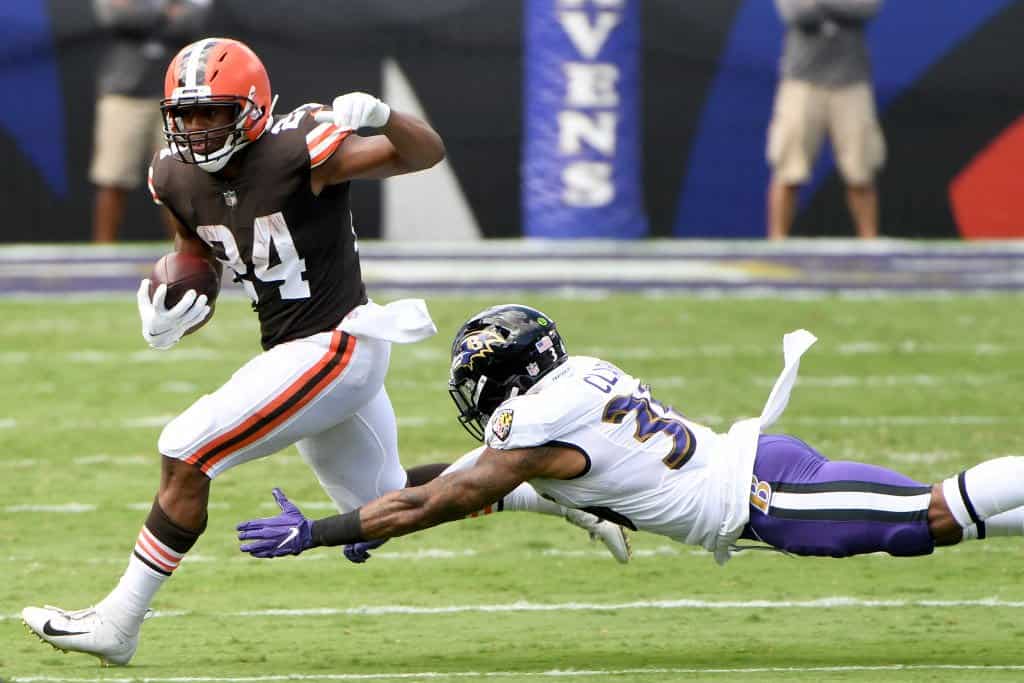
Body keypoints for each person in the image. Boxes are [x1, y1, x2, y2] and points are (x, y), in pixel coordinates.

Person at [21, 38, 628, 668]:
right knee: (382, 501)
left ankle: (118, 621)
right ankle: (558, 490)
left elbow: (423, 153)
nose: (197, 130)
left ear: (253, 108)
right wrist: (170, 308)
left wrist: (386, 116)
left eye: (212, 112)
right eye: (187, 114)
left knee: (185, 448)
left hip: (338, 342)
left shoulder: (301, 148)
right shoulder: (169, 174)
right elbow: (195, 249)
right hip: (300, 351)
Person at [236, 304, 1024, 579]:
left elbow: (440, 499)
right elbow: (464, 477)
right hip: (763, 472)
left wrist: (323, 530)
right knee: (938, 521)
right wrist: (376, 505)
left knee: (933, 515)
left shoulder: (532, 431)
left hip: (769, 498)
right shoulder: (576, 380)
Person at [90, 0, 213, 243]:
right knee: (112, 178)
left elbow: (192, 23)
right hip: (124, 94)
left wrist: (142, 11)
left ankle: (186, 253)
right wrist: (164, 8)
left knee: (179, 181)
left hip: (176, 99)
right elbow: (113, 17)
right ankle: (101, 254)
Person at [766, 0, 886, 240]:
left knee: (860, 172)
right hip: (802, 82)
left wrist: (819, 4)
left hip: (851, 83)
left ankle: (870, 241)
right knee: (788, 170)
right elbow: (795, 13)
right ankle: (776, 241)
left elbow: (866, 9)